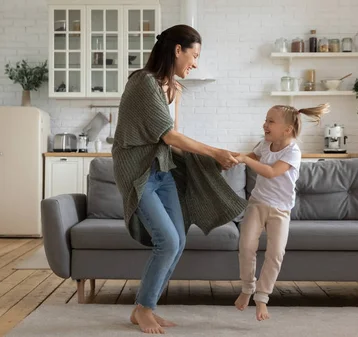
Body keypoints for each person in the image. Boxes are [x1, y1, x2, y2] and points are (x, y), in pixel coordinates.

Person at [112, 24, 243, 334]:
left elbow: (172, 135)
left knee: (179, 239)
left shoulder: (164, 86)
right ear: (177, 50)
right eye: (194, 55)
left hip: (163, 169)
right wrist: (215, 153)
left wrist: (176, 97)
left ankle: (145, 308)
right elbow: (169, 136)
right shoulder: (143, 82)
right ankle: (143, 309)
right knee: (167, 241)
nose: (195, 63)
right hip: (139, 173)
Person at [233, 104, 329, 321]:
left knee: (275, 254)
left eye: (271, 121)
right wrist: (234, 158)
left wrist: (246, 160)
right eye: (265, 119)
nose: (265, 124)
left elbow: (271, 172)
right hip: (257, 204)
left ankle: (262, 297)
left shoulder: (293, 151)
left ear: (287, 130)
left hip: (280, 210)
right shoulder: (265, 144)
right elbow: (252, 156)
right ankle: (247, 288)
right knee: (246, 246)